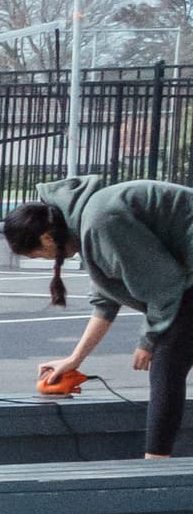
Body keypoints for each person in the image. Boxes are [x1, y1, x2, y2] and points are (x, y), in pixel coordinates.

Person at [11, 180, 193, 456]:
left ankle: (155, 467)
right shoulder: (89, 223)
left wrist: (149, 339)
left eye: (38, 254)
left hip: (184, 277)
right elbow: (106, 300)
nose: (45, 259)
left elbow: (165, 284)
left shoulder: (100, 222)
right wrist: (75, 359)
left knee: (167, 363)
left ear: (47, 238)